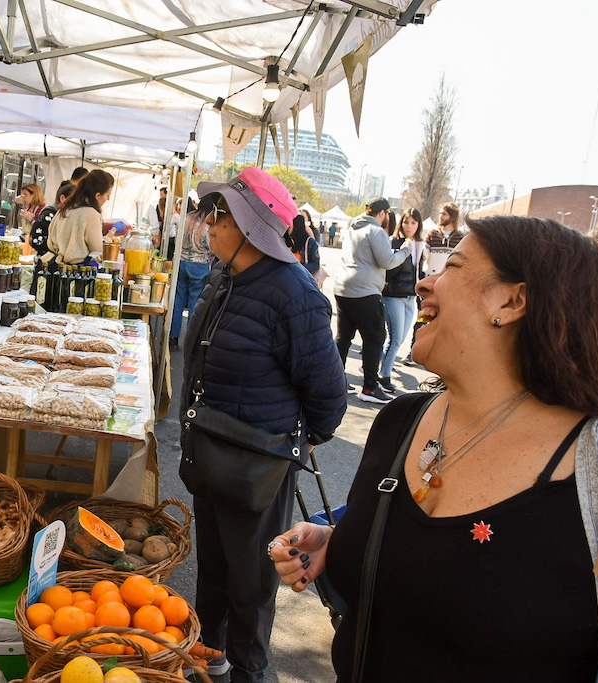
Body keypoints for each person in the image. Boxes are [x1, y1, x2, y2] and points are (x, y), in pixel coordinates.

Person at [272, 216, 598, 681]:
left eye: (453, 266)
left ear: (512, 299)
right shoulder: (401, 420)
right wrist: (347, 543)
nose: (424, 282)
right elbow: (437, 569)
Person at [181, 167, 347, 682]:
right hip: (210, 459)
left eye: (222, 215)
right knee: (213, 575)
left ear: (254, 225)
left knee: (251, 586)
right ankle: (208, 661)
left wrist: (292, 443)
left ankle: (247, 672)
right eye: (211, 213)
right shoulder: (222, 275)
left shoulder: (294, 294)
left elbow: (328, 398)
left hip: (257, 470)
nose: (209, 223)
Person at [333, 197, 411, 403]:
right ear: (382, 213)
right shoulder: (376, 231)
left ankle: (336, 380)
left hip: (343, 288)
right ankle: (369, 388)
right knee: (375, 338)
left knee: (343, 337)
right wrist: (405, 251)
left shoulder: (353, 229)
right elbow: (387, 262)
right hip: (365, 291)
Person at [404, 202, 463, 367]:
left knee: (446, 320)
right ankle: (413, 351)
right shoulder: (431, 235)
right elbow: (424, 258)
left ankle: (440, 354)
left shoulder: (460, 237)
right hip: (431, 284)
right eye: (440, 213)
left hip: (451, 286)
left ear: (452, 216)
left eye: (444, 214)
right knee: (423, 317)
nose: (440, 217)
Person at [378, 209, 425, 393]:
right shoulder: (394, 242)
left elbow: (418, 273)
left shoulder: (420, 244)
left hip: (410, 297)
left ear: (418, 225)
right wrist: (403, 252)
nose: (409, 226)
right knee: (396, 339)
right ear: (401, 223)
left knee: (400, 339)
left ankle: (376, 360)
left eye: (413, 223)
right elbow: (389, 271)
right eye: (406, 222)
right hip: (393, 295)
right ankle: (384, 375)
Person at [46, 169, 114, 266]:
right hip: (76, 273)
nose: (108, 199)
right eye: (108, 195)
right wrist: (110, 235)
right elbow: (97, 251)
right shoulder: (91, 213)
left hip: (54, 268)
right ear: (98, 195)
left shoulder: (65, 207)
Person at [168, 200, 209, 348]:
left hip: (181, 262)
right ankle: (191, 341)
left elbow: (176, 237)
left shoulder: (187, 217)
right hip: (199, 265)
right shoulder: (209, 222)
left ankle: (173, 336)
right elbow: (210, 246)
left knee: (177, 301)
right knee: (195, 304)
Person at [29, 182, 74, 256]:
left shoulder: (69, 216)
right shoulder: (49, 214)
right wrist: (57, 244)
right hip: (47, 261)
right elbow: (35, 239)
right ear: (62, 198)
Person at [288, 210, 320, 277]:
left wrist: (298, 268)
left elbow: (315, 264)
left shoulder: (309, 242)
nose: (288, 226)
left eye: (291, 224)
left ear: (296, 225)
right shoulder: (287, 241)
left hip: (302, 277)